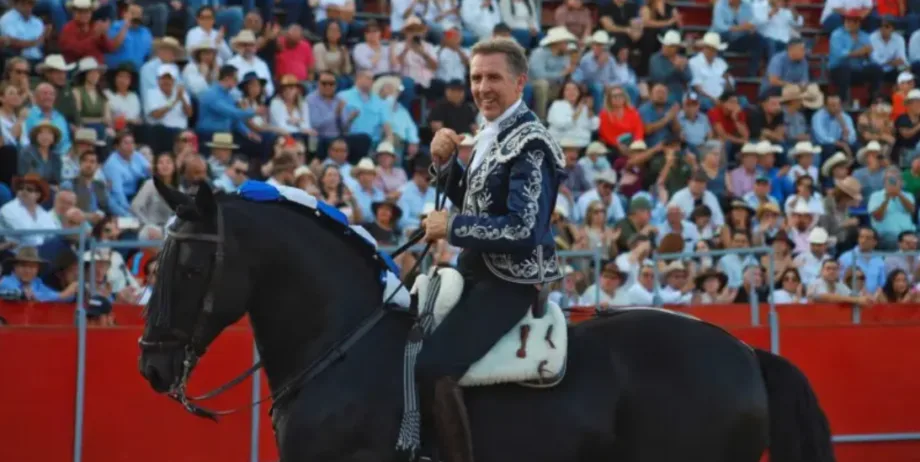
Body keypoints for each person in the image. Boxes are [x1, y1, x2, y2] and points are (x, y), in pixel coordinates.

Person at [418, 37, 565, 462]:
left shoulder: (532, 143)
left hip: (511, 281)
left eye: (494, 77)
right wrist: (447, 167)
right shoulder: (491, 132)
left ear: (520, 82)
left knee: (433, 366)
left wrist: (454, 227)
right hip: (476, 270)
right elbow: (475, 201)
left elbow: (523, 228)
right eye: (476, 77)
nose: (483, 87)